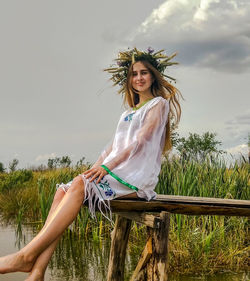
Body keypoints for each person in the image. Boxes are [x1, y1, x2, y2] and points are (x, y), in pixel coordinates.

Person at [0, 47, 182, 281]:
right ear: (129, 80)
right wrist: (94, 169)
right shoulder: (127, 113)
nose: (139, 78)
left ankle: (26, 255)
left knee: (80, 185)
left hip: (135, 179)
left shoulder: (158, 104)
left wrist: (106, 168)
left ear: (153, 76)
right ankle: (37, 272)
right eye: (134, 74)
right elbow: (111, 148)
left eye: (144, 73)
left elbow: (140, 141)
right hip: (117, 174)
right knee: (62, 191)